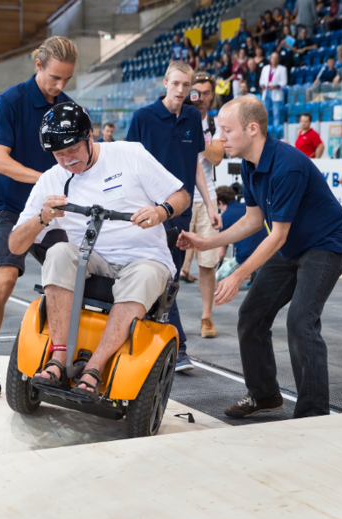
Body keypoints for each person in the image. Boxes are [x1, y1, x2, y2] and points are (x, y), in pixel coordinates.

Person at [178, 96, 342, 419]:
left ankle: (313, 415)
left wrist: (237, 274)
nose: (220, 139)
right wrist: (206, 243)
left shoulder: (287, 166)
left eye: (226, 131)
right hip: (292, 247)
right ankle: (265, 395)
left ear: (252, 129)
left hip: (326, 245)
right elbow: (253, 221)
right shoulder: (249, 162)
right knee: (252, 315)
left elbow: (277, 235)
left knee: (301, 321)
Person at [8, 102, 191, 396]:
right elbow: (16, 244)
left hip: (144, 258)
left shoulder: (129, 155)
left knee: (144, 275)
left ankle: (95, 367)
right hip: (92, 259)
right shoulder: (52, 179)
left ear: (90, 136)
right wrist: (42, 218)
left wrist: (162, 211)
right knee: (58, 253)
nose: (67, 161)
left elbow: (181, 196)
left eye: (72, 151)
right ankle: (58, 356)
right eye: (58, 155)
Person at [0, 36, 77, 396]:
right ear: (38, 66)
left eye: (67, 79)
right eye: (54, 77)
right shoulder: (10, 101)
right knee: (4, 279)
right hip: (8, 205)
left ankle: (61, 359)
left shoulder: (68, 107)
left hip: (51, 208)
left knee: (74, 272)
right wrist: (44, 181)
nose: (60, 86)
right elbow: (0, 161)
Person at [126, 61, 221, 372]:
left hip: (182, 210)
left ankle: (157, 347)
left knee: (170, 281)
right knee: (162, 276)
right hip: (150, 211)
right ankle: (177, 348)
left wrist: (208, 203)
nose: (181, 90)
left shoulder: (193, 116)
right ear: (165, 83)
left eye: (186, 85)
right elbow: (129, 165)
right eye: (176, 83)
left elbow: (195, 164)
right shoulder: (143, 118)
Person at [178, 72, 225, 339]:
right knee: (170, 262)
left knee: (207, 264)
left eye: (207, 93)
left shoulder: (215, 123)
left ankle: (207, 318)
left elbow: (217, 157)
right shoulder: (179, 117)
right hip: (179, 198)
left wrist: (198, 132)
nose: (202, 98)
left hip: (206, 200)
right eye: (197, 92)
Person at [214, 185, 268, 283]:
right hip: (266, 252)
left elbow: (221, 253)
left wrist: (213, 266)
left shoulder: (224, 217)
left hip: (245, 256)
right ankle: (251, 273)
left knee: (214, 279)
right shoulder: (247, 207)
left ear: (220, 202)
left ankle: (249, 273)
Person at [259, 52, 288, 127]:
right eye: (272, 58)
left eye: (276, 58)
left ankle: (276, 129)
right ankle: (265, 129)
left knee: (276, 113)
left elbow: (284, 82)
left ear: (278, 59)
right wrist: (262, 85)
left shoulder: (282, 69)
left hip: (276, 92)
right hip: (266, 92)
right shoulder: (265, 68)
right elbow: (261, 80)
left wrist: (276, 86)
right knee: (265, 113)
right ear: (270, 59)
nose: (274, 60)